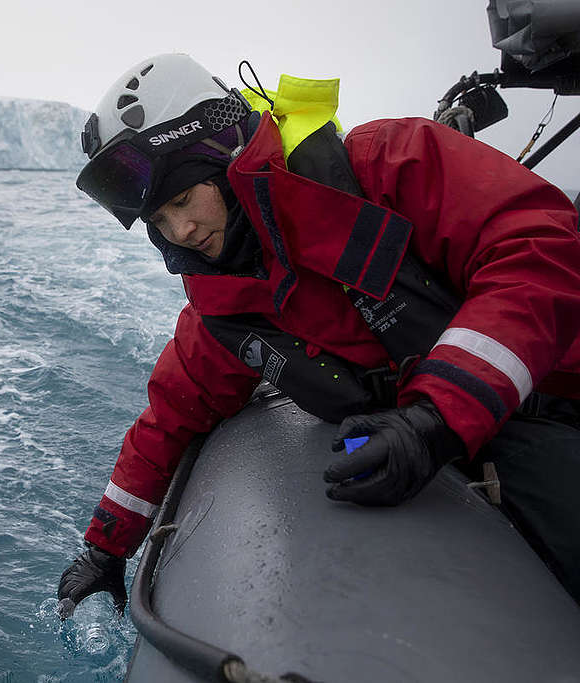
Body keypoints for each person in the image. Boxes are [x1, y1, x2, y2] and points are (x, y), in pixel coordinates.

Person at [56, 53, 580, 617]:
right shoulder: (224, 301)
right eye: (159, 221)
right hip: (450, 447)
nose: (181, 231)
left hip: (553, 404)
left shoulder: (387, 163)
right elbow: (172, 414)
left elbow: (539, 252)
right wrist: (105, 549)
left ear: (226, 158)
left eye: (183, 200)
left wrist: (436, 417)